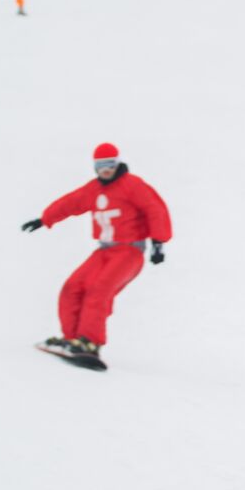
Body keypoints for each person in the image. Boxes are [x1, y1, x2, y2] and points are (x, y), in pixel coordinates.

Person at [21, 143, 172, 370]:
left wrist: (158, 242)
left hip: (129, 251)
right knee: (72, 287)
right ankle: (72, 339)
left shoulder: (133, 185)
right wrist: (45, 219)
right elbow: (70, 203)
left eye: (110, 165)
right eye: (101, 166)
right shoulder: (94, 189)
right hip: (104, 250)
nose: (106, 171)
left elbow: (155, 209)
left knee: (99, 289)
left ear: (117, 163)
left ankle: (90, 341)